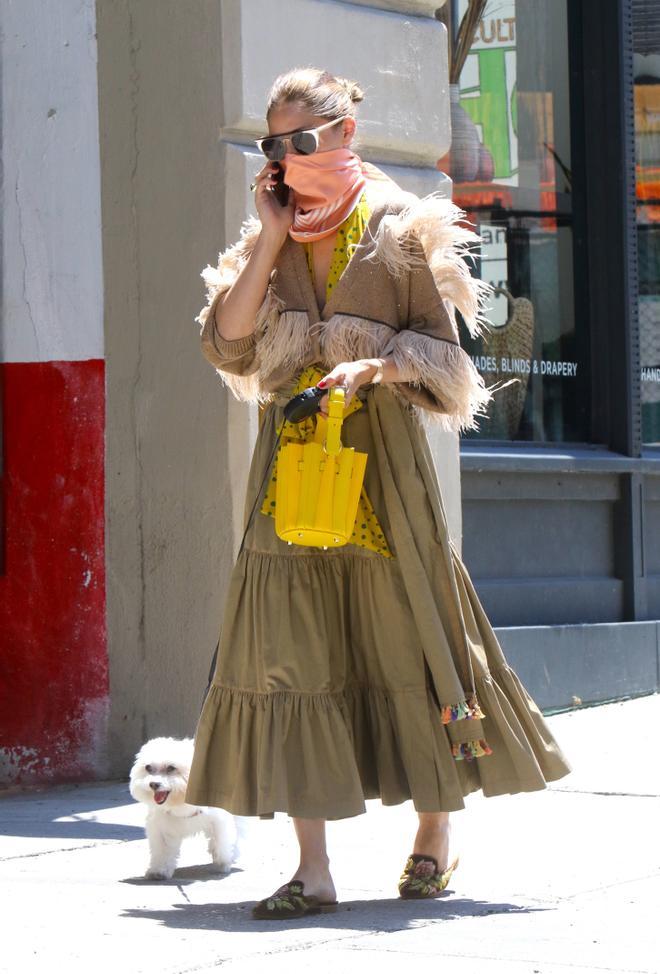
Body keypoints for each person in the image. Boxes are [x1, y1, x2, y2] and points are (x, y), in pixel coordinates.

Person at [185, 67, 572, 919]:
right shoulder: (275, 235)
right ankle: (312, 870)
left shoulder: (400, 228)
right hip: (291, 462)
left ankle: (435, 833)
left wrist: (381, 362)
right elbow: (229, 344)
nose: (287, 158)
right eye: (272, 146)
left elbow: (450, 360)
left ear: (343, 137)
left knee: (410, 639)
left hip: (382, 464)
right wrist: (269, 241)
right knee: (287, 652)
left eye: (302, 143)